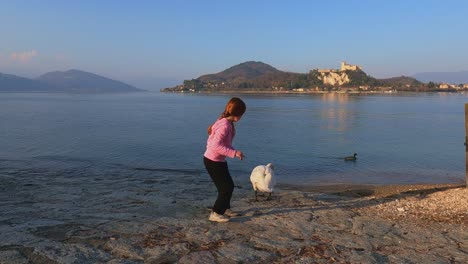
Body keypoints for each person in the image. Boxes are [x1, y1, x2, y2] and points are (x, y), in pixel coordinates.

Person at [203, 97, 246, 223]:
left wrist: (235, 152)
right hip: (212, 161)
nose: (242, 117)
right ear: (238, 113)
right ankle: (216, 213)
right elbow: (214, 146)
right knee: (226, 188)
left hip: (217, 160)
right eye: (242, 114)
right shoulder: (225, 125)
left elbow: (223, 144)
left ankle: (225, 209)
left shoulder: (225, 121)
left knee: (228, 186)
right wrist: (234, 152)